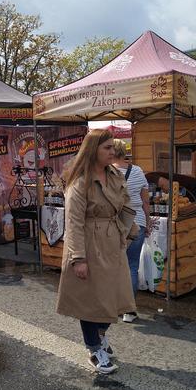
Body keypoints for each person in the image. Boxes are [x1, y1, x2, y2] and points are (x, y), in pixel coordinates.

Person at [56, 129, 137, 375]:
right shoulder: (80, 181)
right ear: (93, 150)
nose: (113, 152)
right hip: (89, 243)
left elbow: (125, 203)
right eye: (107, 148)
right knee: (90, 300)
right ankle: (94, 349)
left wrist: (129, 231)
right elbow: (74, 222)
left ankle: (100, 335)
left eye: (113, 147)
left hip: (112, 241)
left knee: (113, 295)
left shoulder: (114, 174)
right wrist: (78, 258)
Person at [112, 139, 151, 323]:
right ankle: (130, 310)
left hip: (116, 224)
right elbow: (145, 201)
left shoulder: (108, 171)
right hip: (138, 222)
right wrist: (148, 222)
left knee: (113, 265)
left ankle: (114, 306)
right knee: (132, 266)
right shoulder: (137, 171)